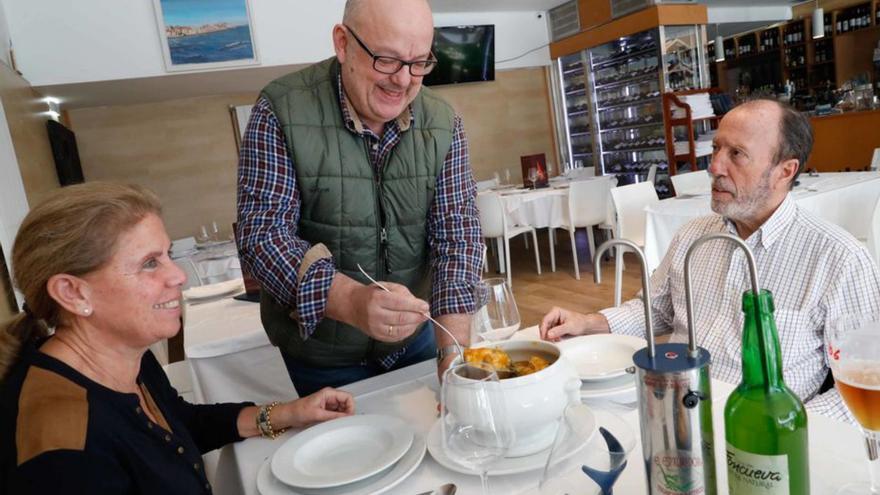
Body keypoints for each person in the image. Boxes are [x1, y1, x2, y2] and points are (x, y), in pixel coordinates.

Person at [0, 183, 354, 494]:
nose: (179, 276)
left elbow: (179, 423)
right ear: (73, 293)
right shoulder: (62, 452)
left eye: (167, 255)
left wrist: (289, 413)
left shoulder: (125, 354)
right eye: (150, 264)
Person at [540, 99, 880, 422]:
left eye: (737, 154)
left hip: (760, 441)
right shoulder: (692, 236)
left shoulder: (839, 259)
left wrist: (785, 426)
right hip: (671, 410)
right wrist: (588, 322)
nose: (714, 166)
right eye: (716, 148)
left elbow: (867, 382)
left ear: (784, 171)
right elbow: (655, 310)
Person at [236, 0, 482, 396]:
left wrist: (452, 353)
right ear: (343, 43)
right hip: (321, 362)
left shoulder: (443, 122)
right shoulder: (280, 110)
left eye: (419, 62)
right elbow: (263, 237)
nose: (403, 81)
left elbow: (458, 237)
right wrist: (350, 301)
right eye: (386, 60)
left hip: (417, 343)